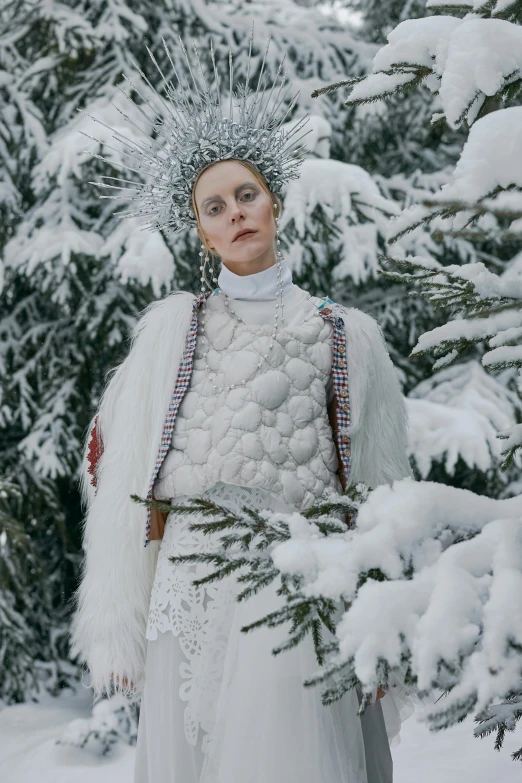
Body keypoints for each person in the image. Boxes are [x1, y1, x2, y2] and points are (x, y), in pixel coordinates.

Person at [70, 32, 414, 783]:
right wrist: (115, 615)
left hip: (300, 574)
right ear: (199, 230)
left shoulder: (345, 335)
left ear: (277, 202)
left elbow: (382, 484)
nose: (236, 214)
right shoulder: (170, 331)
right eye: (214, 206)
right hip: (191, 581)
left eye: (246, 194)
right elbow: (124, 472)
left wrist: (384, 617)